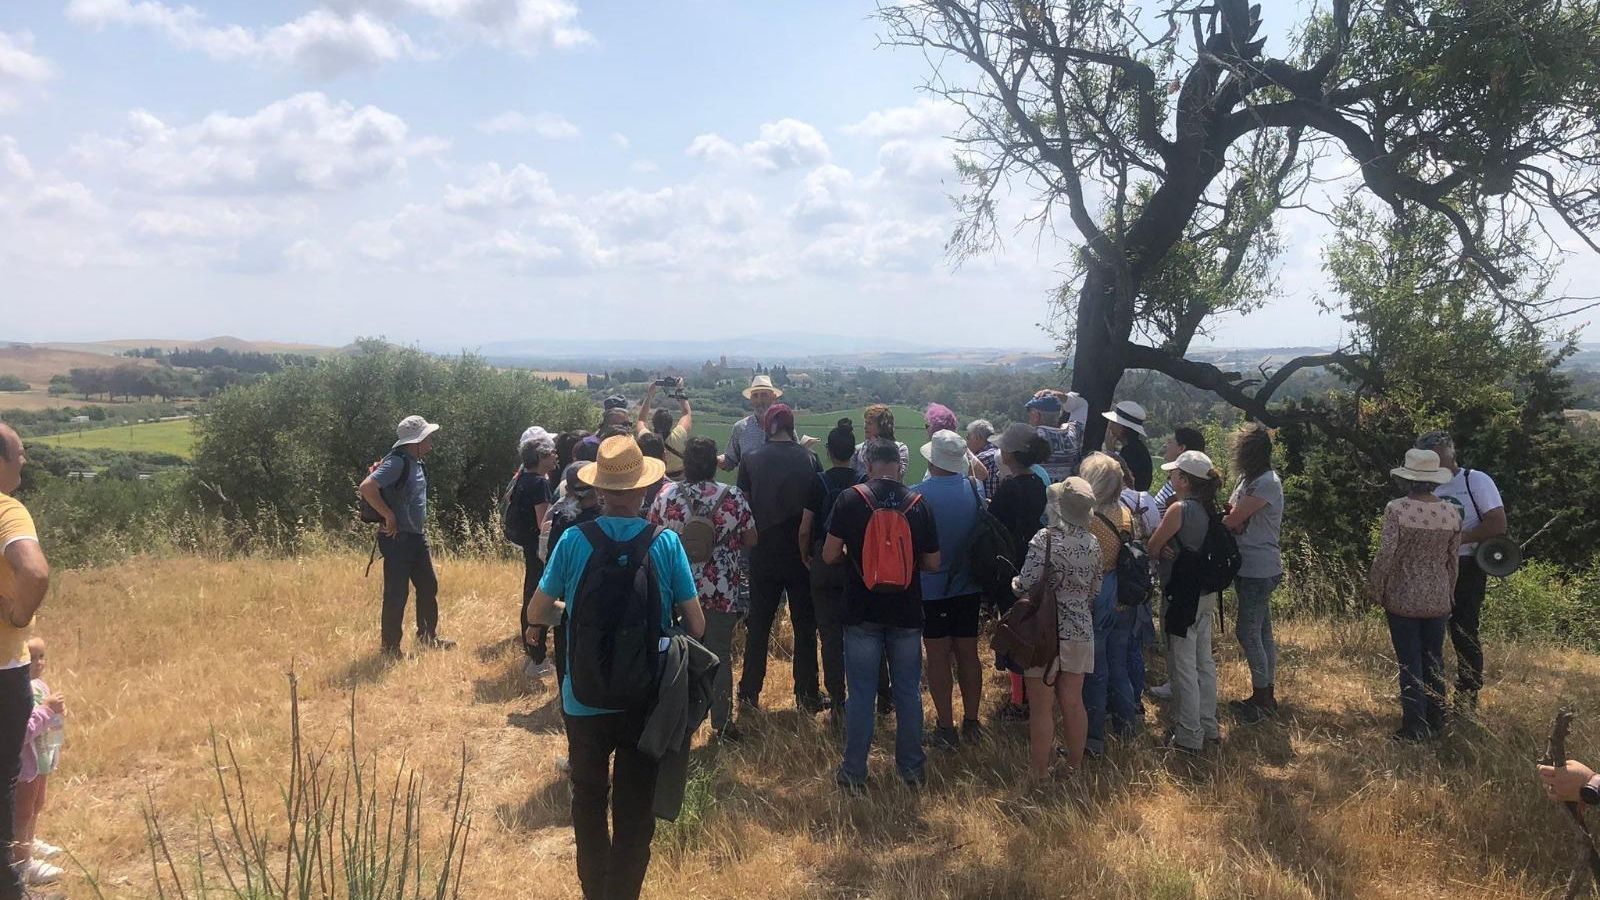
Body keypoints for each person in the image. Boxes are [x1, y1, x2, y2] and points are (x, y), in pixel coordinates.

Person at [527, 435, 705, 900]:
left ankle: (595, 892)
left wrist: (571, 614)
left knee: (588, 800)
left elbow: (537, 611)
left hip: (582, 698)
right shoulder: (665, 542)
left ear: (601, 489)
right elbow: (697, 624)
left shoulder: (574, 539)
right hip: (645, 701)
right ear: (643, 489)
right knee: (634, 812)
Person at [823, 438, 940, 791]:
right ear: (900, 467)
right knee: (907, 692)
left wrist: (856, 561)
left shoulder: (850, 500)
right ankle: (911, 770)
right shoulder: (919, 503)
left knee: (861, 694)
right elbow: (934, 562)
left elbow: (828, 555)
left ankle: (854, 772)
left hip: (861, 609)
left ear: (869, 464)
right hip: (906, 611)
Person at [648, 437, 755, 740]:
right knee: (720, 655)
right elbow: (752, 539)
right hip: (721, 589)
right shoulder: (732, 496)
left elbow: (651, 531)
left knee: (676, 655)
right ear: (714, 464)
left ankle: (678, 722)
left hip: (676, 589)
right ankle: (722, 724)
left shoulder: (667, 495)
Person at [737, 404, 826, 713]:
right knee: (805, 625)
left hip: (763, 552)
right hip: (800, 555)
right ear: (792, 425)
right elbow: (817, 506)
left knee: (759, 624)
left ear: (767, 426)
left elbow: (744, 508)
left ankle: (749, 693)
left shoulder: (750, 459)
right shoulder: (810, 459)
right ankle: (808, 695)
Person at [1013, 478, 1101, 780]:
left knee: (1041, 706)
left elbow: (1026, 583)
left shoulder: (1044, 539)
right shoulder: (1093, 543)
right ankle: (1074, 767)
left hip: (1042, 631)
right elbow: (1095, 590)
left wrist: (1015, 584)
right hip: (1079, 630)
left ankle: (1040, 772)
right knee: (1074, 702)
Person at [1369, 449, 1461, 741]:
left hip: (1403, 596)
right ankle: (1437, 718)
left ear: (1408, 479)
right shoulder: (1451, 512)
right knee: (1434, 660)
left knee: (1410, 663)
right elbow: (1452, 560)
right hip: (1438, 596)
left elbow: (1386, 554)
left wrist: (1376, 587)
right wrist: (1450, 591)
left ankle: (1414, 726)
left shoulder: (1397, 509)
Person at [1415, 430, 1506, 715]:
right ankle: (1430, 695)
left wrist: (1457, 539)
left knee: (1463, 630)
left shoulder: (1475, 481)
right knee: (1428, 629)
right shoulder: (1424, 485)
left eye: (1436, 457)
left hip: (1467, 566)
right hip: (1432, 566)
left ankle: (1467, 696)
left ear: (1450, 454)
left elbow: (1497, 523)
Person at [911, 430, 986, 748]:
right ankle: (972, 721)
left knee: (938, 656)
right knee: (969, 654)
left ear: (932, 459)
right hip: (969, 585)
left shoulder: (918, 495)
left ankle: (945, 726)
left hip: (932, 588)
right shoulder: (976, 488)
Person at [1148, 449, 1224, 754]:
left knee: (1182, 667)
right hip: (1205, 594)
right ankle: (1209, 725)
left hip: (1181, 596)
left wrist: (1164, 545)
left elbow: (1153, 546)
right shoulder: (1211, 508)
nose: (1170, 477)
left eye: (1174, 473)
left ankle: (1189, 735)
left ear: (1184, 480)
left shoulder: (1179, 510)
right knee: (1204, 662)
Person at [0, 422, 48, 900]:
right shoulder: (6, 510)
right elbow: (33, 572)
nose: (24, 460)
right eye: (18, 452)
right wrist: (17, 616)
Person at [358, 415, 454, 656]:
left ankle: (428, 637)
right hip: (397, 539)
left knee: (428, 585)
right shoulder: (397, 462)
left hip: (414, 537)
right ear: (416, 441)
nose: (430, 443)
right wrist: (388, 515)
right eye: (427, 438)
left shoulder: (415, 462)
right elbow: (367, 487)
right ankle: (390, 648)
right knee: (397, 593)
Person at [986, 423, 1050, 721]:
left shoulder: (1010, 488)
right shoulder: (1038, 483)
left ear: (1010, 454)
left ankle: (1019, 699)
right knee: (1032, 628)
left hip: (1010, 565)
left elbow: (992, 521)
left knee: (1014, 630)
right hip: (1033, 562)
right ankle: (1032, 690)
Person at [1079, 452, 1140, 754]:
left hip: (1098, 593)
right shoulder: (1126, 513)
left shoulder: (1088, 519)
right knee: (1119, 664)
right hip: (1124, 594)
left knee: (1095, 669)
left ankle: (1093, 737)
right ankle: (1126, 725)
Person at [1224, 424, 1286, 722]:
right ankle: (1265, 693)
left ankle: (1262, 697)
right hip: (1248, 564)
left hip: (1259, 567)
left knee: (1247, 631)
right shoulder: (1248, 479)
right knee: (1262, 631)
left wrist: (1229, 518)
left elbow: (1233, 518)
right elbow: (1232, 512)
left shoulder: (1267, 482)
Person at [807, 419, 866, 729]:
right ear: (853, 452)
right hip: (857, 565)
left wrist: (806, 555)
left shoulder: (818, 482)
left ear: (828, 451)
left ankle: (837, 702)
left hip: (824, 561)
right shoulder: (863, 481)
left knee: (829, 636)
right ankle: (867, 696)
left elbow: (805, 526)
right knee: (861, 633)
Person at [509, 427, 559, 678]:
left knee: (530, 593)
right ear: (540, 457)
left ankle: (531, 653)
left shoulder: (523, 478)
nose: (556, 456)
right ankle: (537, 660)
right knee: (540, 597)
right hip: (539, 550)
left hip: (528, 546)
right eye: (551, 453)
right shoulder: (540, 483)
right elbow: (544, 524)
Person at [13, 637, 62, 886]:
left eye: (42, 656)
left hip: (40, 757)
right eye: (32, 658)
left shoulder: (39, 685)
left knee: (37, 803)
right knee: (22, 812)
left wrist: (56, 714)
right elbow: (20, 733)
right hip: (25, 764)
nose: (39, 662)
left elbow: (48, 718)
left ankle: (30, 841)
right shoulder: (17, 692)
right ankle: (23, 863)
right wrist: (47, 710)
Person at [718, 375, 781, 472]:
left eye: (764, 395)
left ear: (773, 397)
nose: (759, 400)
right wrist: (713, 459)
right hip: (748, 482)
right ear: (751, 399)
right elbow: (730, 460)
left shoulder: (783, 426)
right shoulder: (740, 428)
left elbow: (794, 456)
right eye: (755, 396)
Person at [637, 380, 691, 481]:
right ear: (671, 424)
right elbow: (686, 413)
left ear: (653, 423)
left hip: (655, 478)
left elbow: (641, 420)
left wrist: (649, 396)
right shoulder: (679, 435)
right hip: (679, 479)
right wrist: (680, 390)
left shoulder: (647, 439)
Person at [923, 404, 989, 483]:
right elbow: (983, 474)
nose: (927, 430)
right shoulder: (959, 453)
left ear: (935, 430)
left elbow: (982, 474)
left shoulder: (958, 454)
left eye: (928, 426)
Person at [1027, 394, 1082, 483]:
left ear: (1036, 416)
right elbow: (1081, 406)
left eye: (1029, 413)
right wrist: (1056, 394)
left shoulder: (1031, 437)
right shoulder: (1072, 433)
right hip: (1066, 489)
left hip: (1039, 490)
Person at [1153, 427, 1206, 515]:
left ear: (1181, 448)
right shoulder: (1189, 484)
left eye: (1170, 442)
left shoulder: (1179, 489)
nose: (1165, 445)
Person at [1103, 401, 1153, 491]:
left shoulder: (1131, 452)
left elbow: (1115, 480)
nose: (1109, 426)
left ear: (1122, 428)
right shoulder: (1137, 448)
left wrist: (1110, 452)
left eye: (1113, 422)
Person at [851, 405, 909, 479]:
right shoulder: (858, 450)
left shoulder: (900, 449)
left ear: (883, 426)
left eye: (870, 423)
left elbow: (899, 475)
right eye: (865, 422)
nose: (865, 427)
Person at [967, 419, 1003, 499]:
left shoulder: (981, 459)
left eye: (968, 437)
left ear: (977, 438)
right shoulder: (1001, 452)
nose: (967, 441)